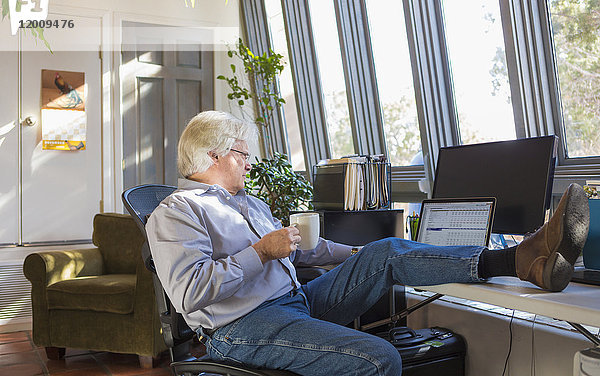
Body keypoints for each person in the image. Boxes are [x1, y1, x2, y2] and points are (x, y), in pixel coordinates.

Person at [146, 111, 590, 376]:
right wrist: (260, 251)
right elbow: (189, 292)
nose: (248, 163)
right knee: (379, 359)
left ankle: (521, 259)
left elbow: (305, 249)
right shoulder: (177, 212)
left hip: (294, 302)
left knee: (389, 250)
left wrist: (363, 258)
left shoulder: (249, 203)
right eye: (242, 154)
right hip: (240, 329)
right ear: (213, 157)